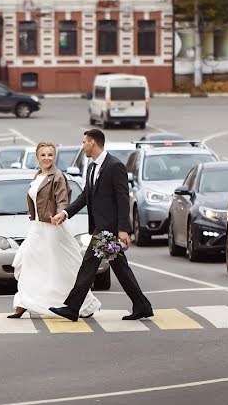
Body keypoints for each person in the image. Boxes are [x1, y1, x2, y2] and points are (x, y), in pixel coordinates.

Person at [50, 128, 154, 322]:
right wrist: (65, 213)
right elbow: (85, 197)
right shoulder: (91, 167)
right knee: (118, 268)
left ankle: (72, 308)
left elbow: (122, 199)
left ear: (92, 143)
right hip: (101, 228)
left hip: (109, 230)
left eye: (84, 143)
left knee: (88, 266)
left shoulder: (115, 166)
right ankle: (142, 305)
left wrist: (124, 229)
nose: (83, 147)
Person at [9, 142, 101, 319]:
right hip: (36, 227)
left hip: (51, 227)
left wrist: (61, 214)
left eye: (50, 155)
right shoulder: (38, 176)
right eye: (43, 155)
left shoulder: (58, 176)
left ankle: (86, 303)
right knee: (28, 263)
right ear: (37, 157)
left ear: (55, 156)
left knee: (61, 266)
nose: (47, 158)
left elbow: (62, 200)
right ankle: (22, 303)